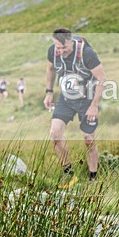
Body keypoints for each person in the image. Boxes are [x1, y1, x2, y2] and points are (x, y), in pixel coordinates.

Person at [43, 28, 106, 181]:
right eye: (58, 47)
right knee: (55, 134)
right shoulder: (53, 51)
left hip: (87, 99)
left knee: (88, 138)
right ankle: (68, 174)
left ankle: (93, 178)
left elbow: (102, 79)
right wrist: (49, 92)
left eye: (64, 48)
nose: (61, 51)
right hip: (66, 99)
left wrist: (94, 106)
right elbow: (50, 69)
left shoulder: (87, 53)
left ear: (72, 42)